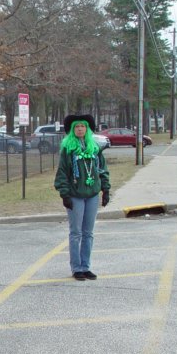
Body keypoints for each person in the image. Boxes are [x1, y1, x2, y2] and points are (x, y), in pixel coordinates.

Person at [54, 114, 111, 281]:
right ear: (73, 130)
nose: (80, 129)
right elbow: (62, 173)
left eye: (83, 126)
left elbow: (102, 169)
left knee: (88, 232)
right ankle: (76, 267)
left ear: (87, 129)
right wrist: (64, 194)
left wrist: (105, 189)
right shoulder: (68, 149)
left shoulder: (94, 148)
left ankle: (86, 266)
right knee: (76, 232)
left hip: (92, 193)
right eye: (77, 127)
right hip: (75, 195)